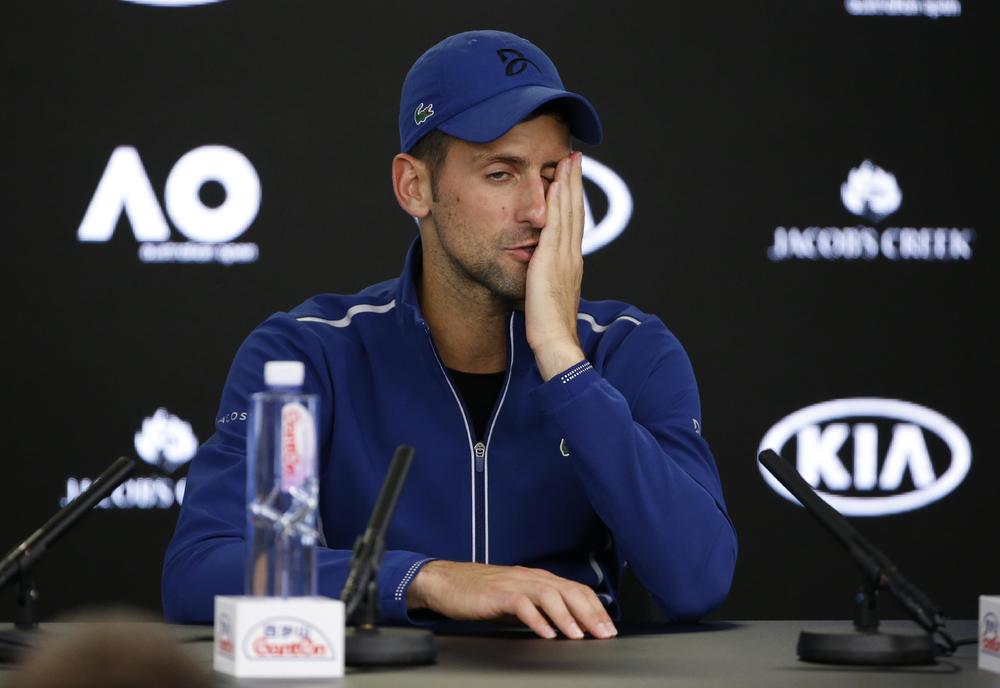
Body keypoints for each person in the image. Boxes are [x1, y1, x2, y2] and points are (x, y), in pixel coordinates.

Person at [163, 29, 736, 641]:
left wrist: (563, 360)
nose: (539, 210)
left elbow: (697, 579)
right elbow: (203, 569)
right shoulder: (310, 352)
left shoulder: (625, 348)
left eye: (552, 175)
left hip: (570, 677)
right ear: (415, 187)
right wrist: (424, 580)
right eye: (501, 173)